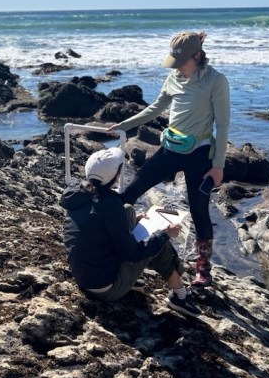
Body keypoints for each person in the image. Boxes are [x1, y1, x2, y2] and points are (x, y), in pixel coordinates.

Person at [107, 31, 230, 287]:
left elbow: (223, 124)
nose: (177, 67)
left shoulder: (216, 81)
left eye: (181, 62)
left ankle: (203, 269)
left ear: (197, 56)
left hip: (199, 153)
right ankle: (116, 242)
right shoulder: (173, 77)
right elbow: (156, 108)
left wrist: (218, 165)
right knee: (130, 192)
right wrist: (124, 125)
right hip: (170, 148)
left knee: (199, 210)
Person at [61, 147, 201, 317]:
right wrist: (165, 235)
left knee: (128, 210)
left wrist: (134, 222)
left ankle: (137, 275)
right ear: (115, 175)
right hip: (106, 288)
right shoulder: (110, 204)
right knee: (160, 241)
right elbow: (133, 254)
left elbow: (97, 225)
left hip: (83, 275)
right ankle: (180, 296)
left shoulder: (81, 194)